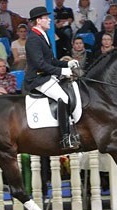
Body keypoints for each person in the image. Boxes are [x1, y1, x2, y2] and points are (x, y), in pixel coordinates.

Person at [24, 6, 80, 150]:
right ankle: (65, 137)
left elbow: (51, 60)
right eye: (46, 18)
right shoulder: (32, 39)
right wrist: (62, 71)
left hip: (47, 75)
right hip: (37, 79)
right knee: (64, 98)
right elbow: (40, 64)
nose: (50, 20)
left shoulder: (43, 35)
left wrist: (68, 63)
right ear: (38, 20)